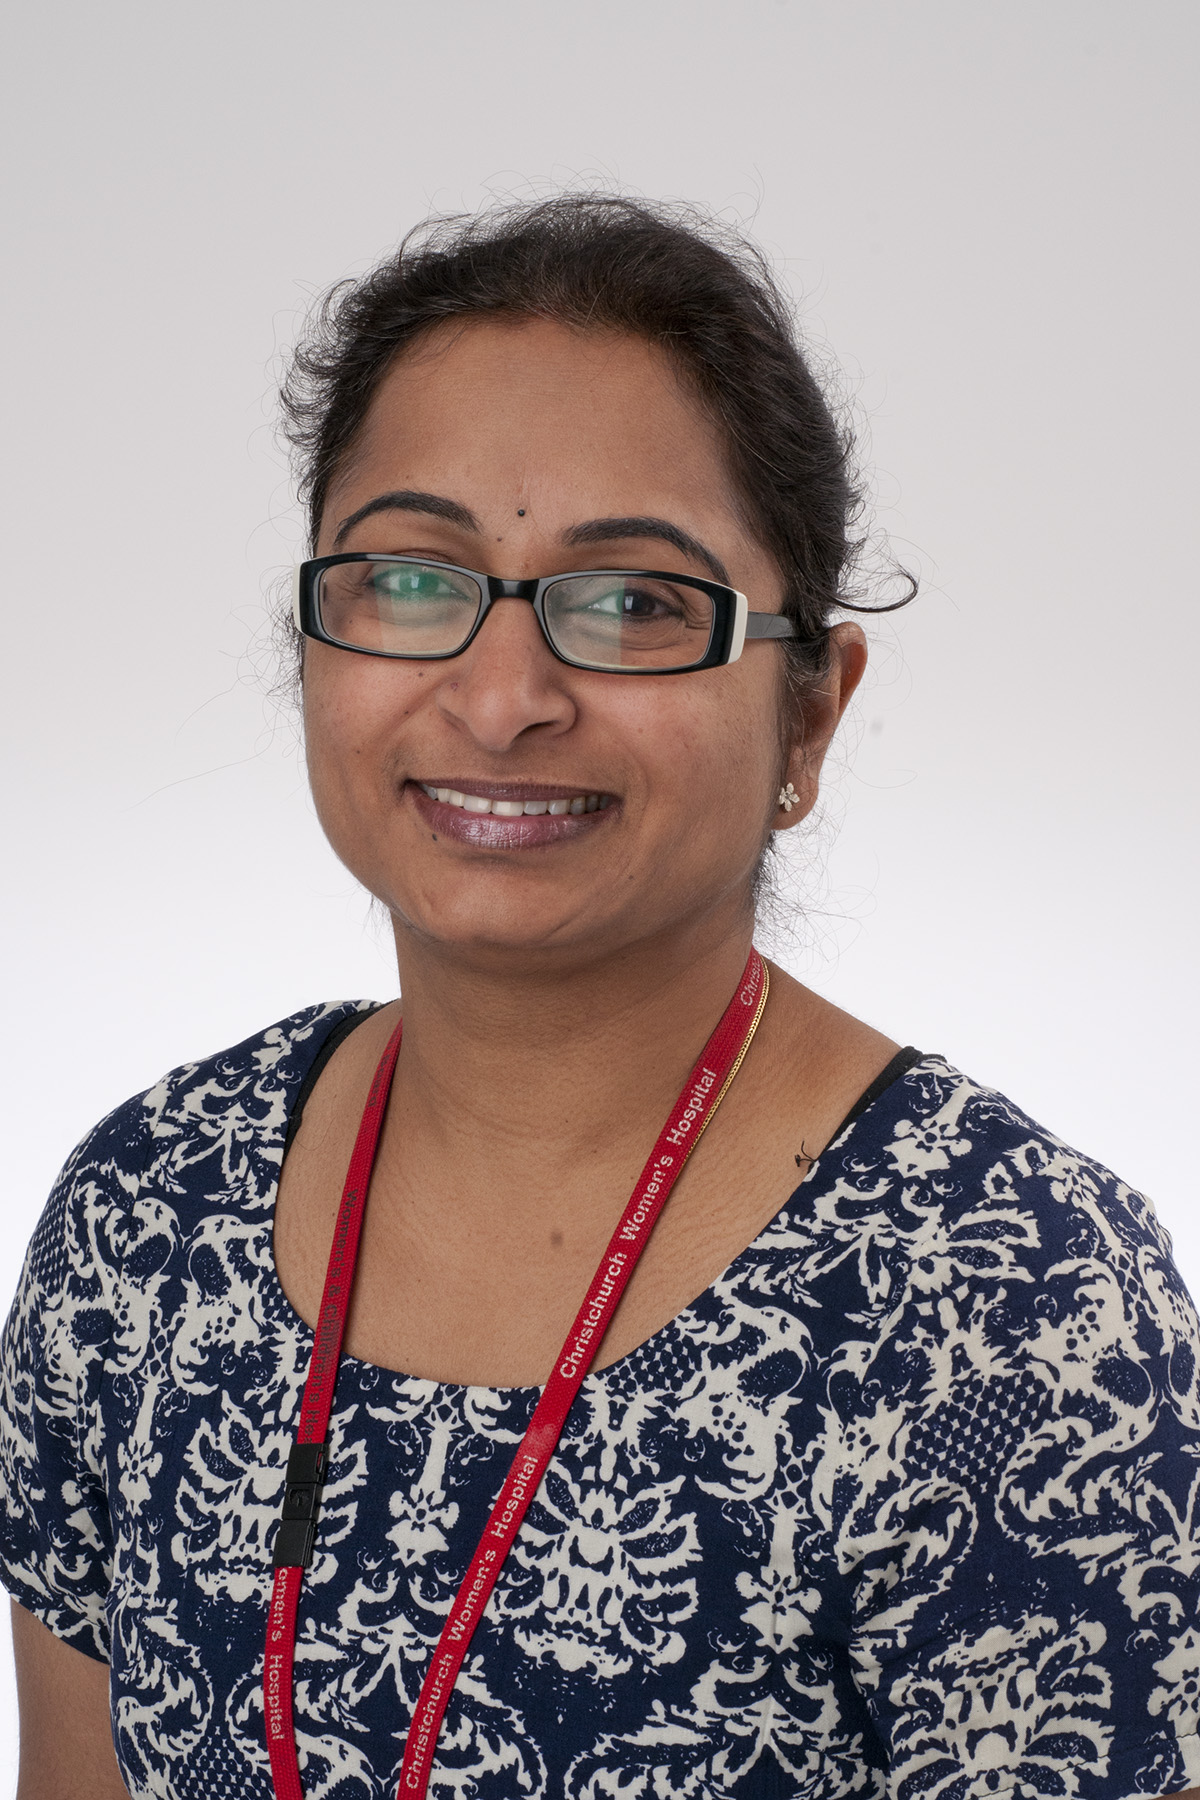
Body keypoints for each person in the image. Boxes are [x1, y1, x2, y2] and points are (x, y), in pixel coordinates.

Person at [2, 195, 1198, 1800]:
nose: (502, 699)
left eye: (634, 601)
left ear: (810, 714)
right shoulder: (148, 1216)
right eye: (411, 577)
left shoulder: (1013, 1315)